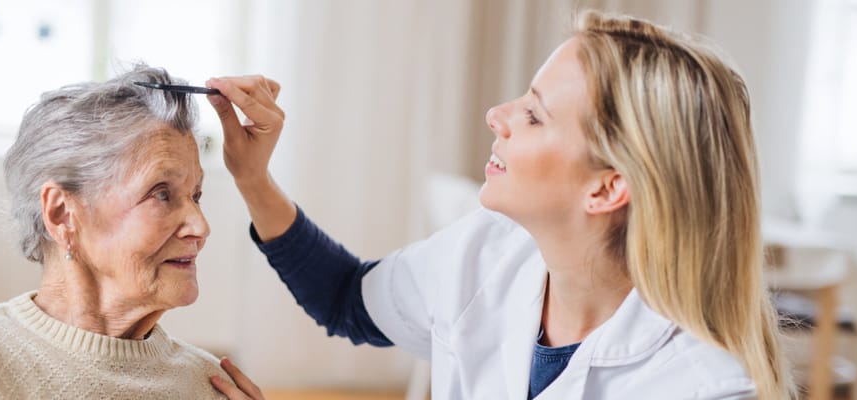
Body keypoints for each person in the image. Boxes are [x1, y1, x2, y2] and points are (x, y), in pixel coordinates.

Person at [206, 11, 792, 400]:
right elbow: (347, 300)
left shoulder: (701, 387)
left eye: (534, 114)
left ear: (606, 189)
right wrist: (253, 178)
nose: (498, 116)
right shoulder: (490, 250)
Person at [0, 64, 239, 399]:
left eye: (196, 196)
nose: (200, 227)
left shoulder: (210, 384)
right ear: (61, 213)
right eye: (161, 194)